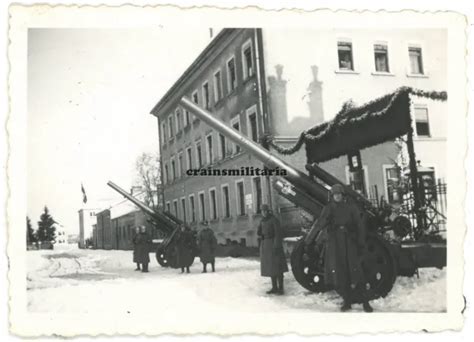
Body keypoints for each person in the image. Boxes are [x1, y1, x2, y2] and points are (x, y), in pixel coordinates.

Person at [304, 184, 373, 312]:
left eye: (339, 194)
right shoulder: (329, 208)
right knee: (341, 273)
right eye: (335, 194)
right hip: (335, 244)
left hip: (349, 242)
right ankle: (347, 301)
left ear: (343, 195)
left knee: (356, 271)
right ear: (332, 196)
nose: (337, 196)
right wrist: (309, 240)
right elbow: (320, 224)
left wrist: (360, 242)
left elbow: (359, 225)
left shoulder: (351, 208)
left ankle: (365, 302)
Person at [257, 204, 288, 295]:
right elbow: (259, 232)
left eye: (266, 211)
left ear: (268, 211)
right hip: (266, 245)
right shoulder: (262, 221)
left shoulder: (274, 220)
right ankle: (274, 287)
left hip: (274, 245)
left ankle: (281, 288)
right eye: (262, 211)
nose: (264, 213)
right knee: (271, 268)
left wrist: (276, 246)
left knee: (278, 267)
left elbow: (278, 234)